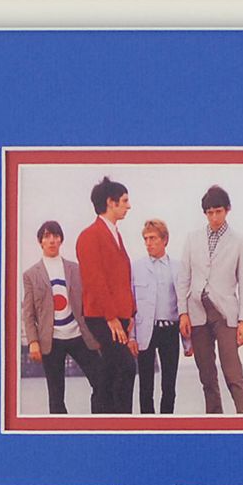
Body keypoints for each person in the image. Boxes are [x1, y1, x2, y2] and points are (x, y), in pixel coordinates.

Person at [176, 184, 243, 413]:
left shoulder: (240, 242)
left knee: (232, 372)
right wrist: (183, 313)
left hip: (225, 313)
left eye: (218, 211)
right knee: (207, 376)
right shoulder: (192, 239)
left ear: (227, 209)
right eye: (209, 213)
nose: (214, 217)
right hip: (197, 312)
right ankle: (214, 421)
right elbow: (183, 278)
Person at [21, 220, 101, 414]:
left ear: (61, 240)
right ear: (40, 241)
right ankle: (61, 429)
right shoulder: (30, 274)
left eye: (55, 236)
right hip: (51, 340)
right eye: (47, 236)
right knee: (56, 397)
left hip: (79, 335)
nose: (51, 240)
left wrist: (98, 332)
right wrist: (33, 341)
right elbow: (28, 312)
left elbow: (90, 301)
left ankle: (97, 423)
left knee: (101, 381)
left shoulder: (75, 269)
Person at [75, 176, 137, 414]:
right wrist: (111, 317)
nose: (129, 206)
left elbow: (122, 278)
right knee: (127, 367)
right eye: (125, 200)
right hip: (102, 316)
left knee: (110, 372)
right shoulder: (89, 235)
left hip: (119, 316)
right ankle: (121, 421)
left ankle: (105, 421)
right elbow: (94, 279)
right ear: (111, 202)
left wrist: (130, 313)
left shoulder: (115, 234)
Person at [130, 218, 185, 414]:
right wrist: (131, 337)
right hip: (146, 330)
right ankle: (147, 425)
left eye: (153, 238)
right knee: (146, 386)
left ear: (165, 240)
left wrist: (188, 343)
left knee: (169, 385)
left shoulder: (178, 267)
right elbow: (131, 304)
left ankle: (167, 423)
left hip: (170, 330)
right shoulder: (136, 267)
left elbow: (184, 304)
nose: (148, 243)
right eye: (145, 239)